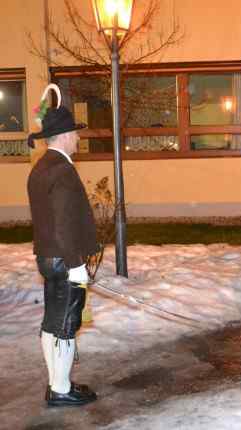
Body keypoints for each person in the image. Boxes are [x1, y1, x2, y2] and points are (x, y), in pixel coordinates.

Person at [27, 93, 99, 407]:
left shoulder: (41, 167)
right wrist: (75, 264)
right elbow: (63, 222)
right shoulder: (63, 171)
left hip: (47, 257)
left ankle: (59, 382)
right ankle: (60, 389)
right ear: (66, 136)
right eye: (76, 133)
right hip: (63, 259)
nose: (78, 137)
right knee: (67, 326)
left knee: (52, 322)